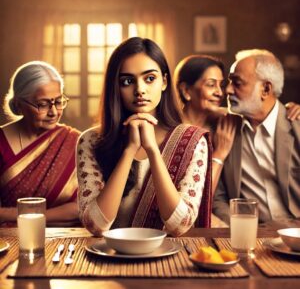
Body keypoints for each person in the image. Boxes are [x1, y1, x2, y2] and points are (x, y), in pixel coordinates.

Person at [77, 37, 212, 237]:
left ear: (164, 82)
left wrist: (152, 151)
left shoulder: (192, 141)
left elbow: (180, 226)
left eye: (150, 78)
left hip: (168, 260)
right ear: (116, 87)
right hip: (109, 258)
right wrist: (129, 151)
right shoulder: (91, 140)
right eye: (127, 81)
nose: (140, 89)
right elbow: (96, 225)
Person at [213, 49, 300, 224]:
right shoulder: (224, 130)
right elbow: (218, 199)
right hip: (249, 235)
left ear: (266, 89)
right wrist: (238, 227)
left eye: (237, 83)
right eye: (229, 82)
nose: (227, 90)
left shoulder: (297, 126)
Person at [0, 61, 80, 225]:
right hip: (10, 239)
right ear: (18, 104)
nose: (53, 112)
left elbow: (83, 208)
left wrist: (13, 214)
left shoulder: (75, 141)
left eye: (58, 102)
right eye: (42, 104)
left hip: (69, 238)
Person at [174, 55, 237, 195]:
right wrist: (219, 155)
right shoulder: (171, 132)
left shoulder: (221, 124)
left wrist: (293, 109)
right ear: (186, 90)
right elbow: (197, 198)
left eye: (220, 85)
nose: (220, 93)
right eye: (210, 84)